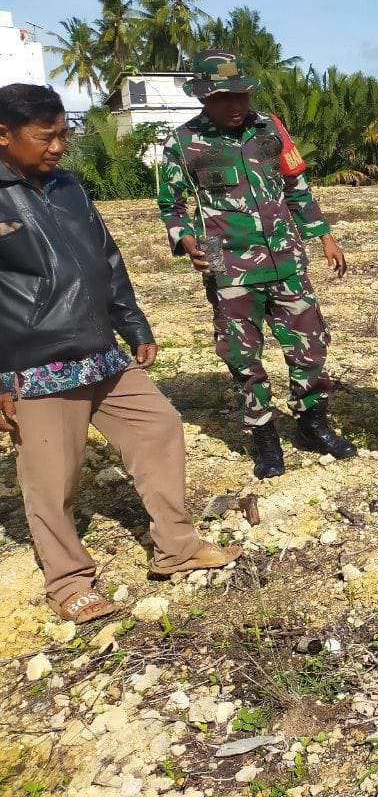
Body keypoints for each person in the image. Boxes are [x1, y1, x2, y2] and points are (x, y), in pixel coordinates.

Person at [0, 84, 239, 624]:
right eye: (46, 137)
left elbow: (106, 256)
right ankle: (68, 582)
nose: (59, 146)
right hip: (34, 362)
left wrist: (132, 321)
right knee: (53, 478)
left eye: (64, 134)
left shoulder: (67, 186)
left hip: (98, 348)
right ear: (3, 135)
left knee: (157, 427)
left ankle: (176, 548)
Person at [157, 49, 357, 480]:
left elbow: (296, 186)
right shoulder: (183, 142)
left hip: (287, 258)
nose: (236, 106)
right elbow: (171, 206)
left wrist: (324, 236)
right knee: (243, 355)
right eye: (225, 98)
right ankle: (264, 436)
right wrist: (188, 241)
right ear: (204, 98)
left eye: (241, 96)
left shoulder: (269, 129)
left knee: (310, 345)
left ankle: (312, 424)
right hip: (224, 262)